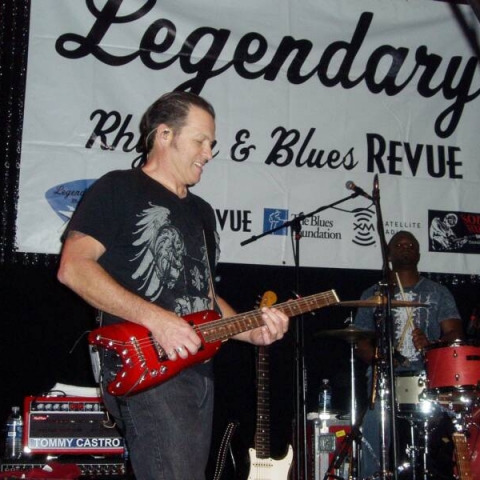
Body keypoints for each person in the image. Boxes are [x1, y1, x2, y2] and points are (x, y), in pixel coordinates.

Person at [57, 91, 290, 480]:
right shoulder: (118, 188)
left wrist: (253, 330)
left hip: (196, 369)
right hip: (146, 361)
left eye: (212, 144)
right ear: (164, 134)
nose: (209, 153)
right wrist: (158, 320)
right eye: (200, 140)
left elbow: (206, 296)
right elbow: (73, 267)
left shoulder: (202, 212)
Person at [354, 230, 464, 478]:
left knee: (460, 419)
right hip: (386, 376)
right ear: (389, 254)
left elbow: (455, 334)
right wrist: (379, 358)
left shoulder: (438, 292)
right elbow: (360, 341)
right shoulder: (372, 294)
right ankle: (372, 474)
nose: (405, 247)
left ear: (419, 253)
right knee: (373, 424)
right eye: (399, 244)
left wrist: (432, 344)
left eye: (411, 244)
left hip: (429, 374)